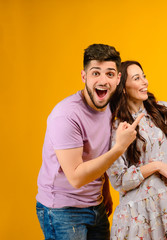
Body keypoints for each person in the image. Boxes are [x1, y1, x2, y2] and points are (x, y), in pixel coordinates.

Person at [36, 44, 144, 240]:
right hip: (62, 210)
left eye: (110, 74)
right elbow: (76, 178)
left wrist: (104, 192)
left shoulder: (111, 108)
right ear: (84, 76)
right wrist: (120, 148)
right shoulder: (66, 116)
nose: (103, 80)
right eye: (96, 73)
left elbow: (98, 154)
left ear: (118, 79)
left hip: (95, 205)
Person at [107, 61, 167, 240]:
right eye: (137, 78)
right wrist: (157, 166)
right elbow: (120, 180)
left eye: (144, 76)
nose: (145, 82)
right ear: (124, 88)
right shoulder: (116, 126)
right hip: (137, 216)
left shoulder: (162, 111)